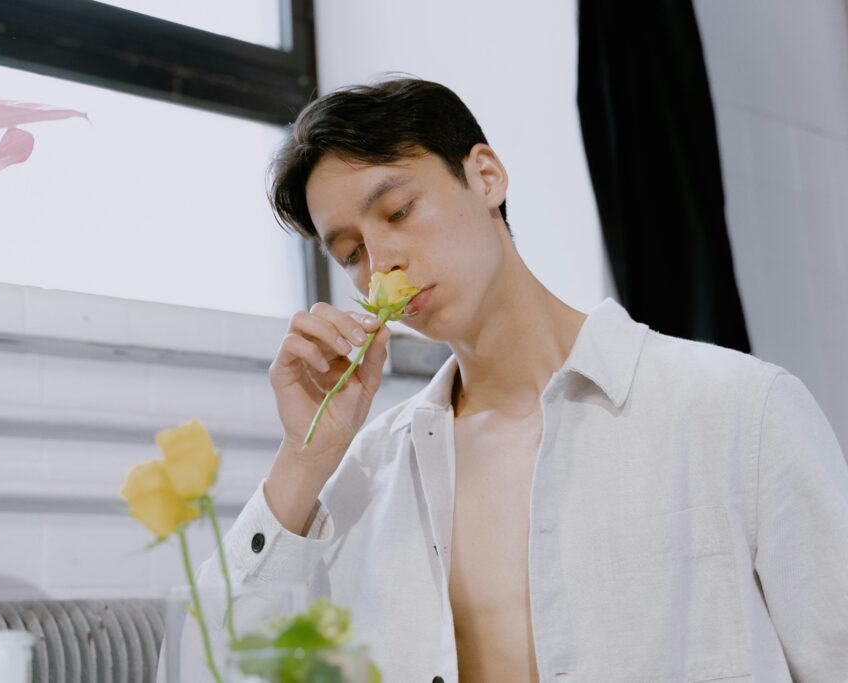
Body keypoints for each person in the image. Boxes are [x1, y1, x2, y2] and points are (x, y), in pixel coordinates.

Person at [199, 78, 848, 682]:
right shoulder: (374, 471)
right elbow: (214, 665)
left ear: (486, 176)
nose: (379, 264)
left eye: (397, 210)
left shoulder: (739, 410)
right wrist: (304, 458)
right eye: (349, 253)